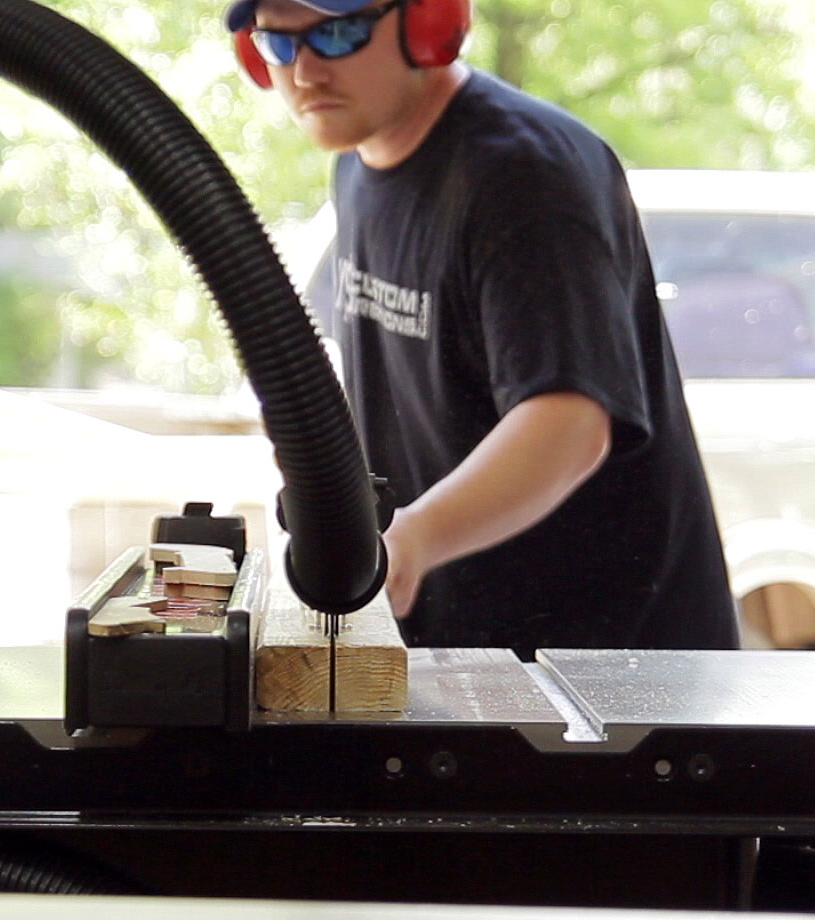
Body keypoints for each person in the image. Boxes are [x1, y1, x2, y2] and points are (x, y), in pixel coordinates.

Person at [226, 0, 740, 656]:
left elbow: (569, 425)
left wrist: (413, 541)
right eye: (278, 43)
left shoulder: (525, 175)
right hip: (476, 654)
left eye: (336, 31)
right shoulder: (357, 168)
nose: (304, 71)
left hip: (608, 677)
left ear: (430, 23)